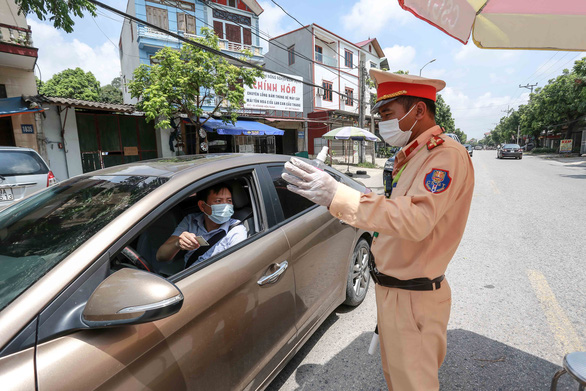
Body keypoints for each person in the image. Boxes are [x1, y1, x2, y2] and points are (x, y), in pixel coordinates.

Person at [282, 69, 474, 390]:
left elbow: (416, 220)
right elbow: (393, 212)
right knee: (396, 378)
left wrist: (338, 195)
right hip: (393, 292)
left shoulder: (445, 156)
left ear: (418, 111)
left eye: (388, 113)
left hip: (413, 297)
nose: (382, 122)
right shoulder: (413, 155)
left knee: (413, 384)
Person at [156, 183, 247, 267]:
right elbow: (161, 256)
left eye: (229, 201)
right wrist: (178, 243)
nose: (225, 206)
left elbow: (237, 267)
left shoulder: (236, 230)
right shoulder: (190, 221)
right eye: (218, 201)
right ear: (202, 206)